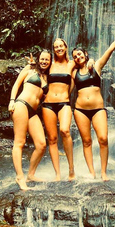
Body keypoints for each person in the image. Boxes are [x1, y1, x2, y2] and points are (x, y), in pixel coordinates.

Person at [71, 23, 115, 181]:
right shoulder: (74, 72)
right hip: (80, 110)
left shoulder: (96, 66)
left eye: (80, 54)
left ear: (86, 54)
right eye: (75, 56)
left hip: (98, 109)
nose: (78, 57)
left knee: (103, 138)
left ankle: (104, 172)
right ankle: (92, 172)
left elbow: (110, 50)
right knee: (87, 141)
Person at [8, 50, 51, 190]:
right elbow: (16, 85)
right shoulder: (29, 69)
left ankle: (31, 174)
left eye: (47, 60)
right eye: (42, 59)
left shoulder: (48, 76)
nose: (44, 61)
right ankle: (20, 177)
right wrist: (12, 101)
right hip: (21, 104)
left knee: (41, 144)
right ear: (38, 59)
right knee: (20, 142)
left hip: (33, 111)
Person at [42, 38, 77, 181]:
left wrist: (92, 62)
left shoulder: (71, 64)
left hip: (64, 103)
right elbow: (39, 69)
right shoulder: (50, 64)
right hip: (48, 104)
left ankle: (71, 169)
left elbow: (84, 62)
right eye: (56, 47)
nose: (59, 48)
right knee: (52, 139)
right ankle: (57, 173)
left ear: (66, 47)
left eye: (61, 46)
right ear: (53, 49)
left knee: (65, 130)